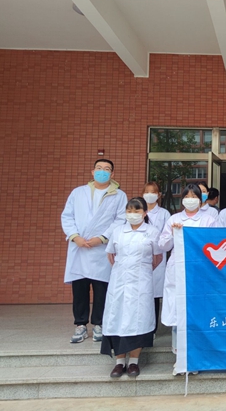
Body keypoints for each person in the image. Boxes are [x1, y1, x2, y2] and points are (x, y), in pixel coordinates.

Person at [61, 159, 127, 344]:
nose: (102, 172)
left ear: (112, 174)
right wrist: (75, 236)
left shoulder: (119, 195)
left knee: (101, 289)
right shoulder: (78, 192)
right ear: (92, 171)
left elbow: (120, 219)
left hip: (101, 249)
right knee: (79, 290)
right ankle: (80, 325)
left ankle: (99, 323)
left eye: (106, 169)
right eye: (99, 168)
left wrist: (103, 238)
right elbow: (67, 216)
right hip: (79, 247)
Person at [159, 184, 216, 375]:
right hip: (178, 269)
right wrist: (173, 233)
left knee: (198, 313)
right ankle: (180, 358)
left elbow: (213, 244)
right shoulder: (174, 219)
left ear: (201, 200)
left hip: (199, 271)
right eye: (187, 196)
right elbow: (163, 245)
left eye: (194, 196)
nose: (190, 200)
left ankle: (196, 357)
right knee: (179, 313)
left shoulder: (208, 220)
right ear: (182, 199)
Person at [102, 197, 162, 378]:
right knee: (117, 316)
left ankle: (134, 361)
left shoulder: (152, 231)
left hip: (141, 281)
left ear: (145, 213)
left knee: (138, 318)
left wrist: (141, 270)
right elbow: (111, 255)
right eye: (129, 211)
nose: (133, 214)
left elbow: (157, 257)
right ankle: (119, 362)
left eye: (137, 210)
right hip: (119, 281)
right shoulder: (118, 231)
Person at [142, 181, 171, 335]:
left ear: (159, 195)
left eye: (153, 192)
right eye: (147, 192)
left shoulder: (164, 213)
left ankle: (152, 329)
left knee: (154, 294)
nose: (150, 195)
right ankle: (142, 326)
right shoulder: (139, 211)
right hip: (141, 255)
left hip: (158, 255)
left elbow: (167, 235)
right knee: (141, 292)